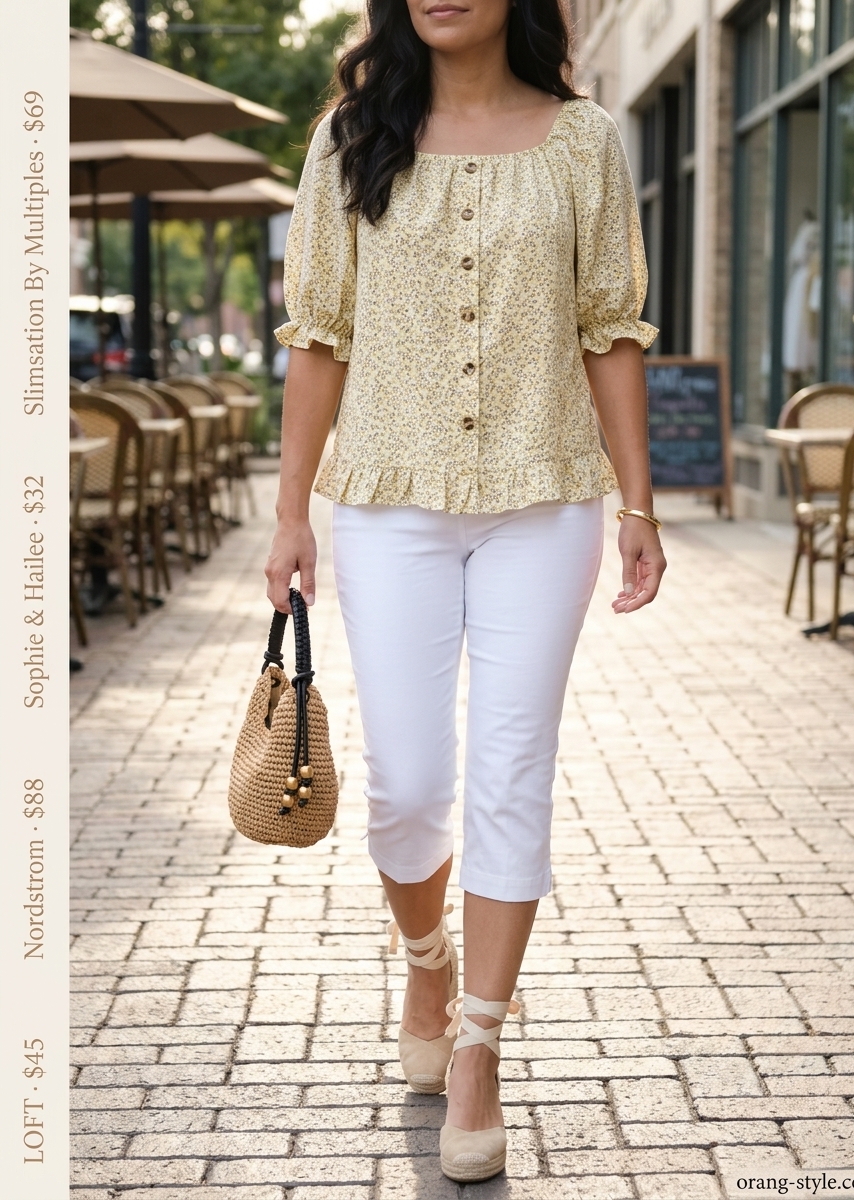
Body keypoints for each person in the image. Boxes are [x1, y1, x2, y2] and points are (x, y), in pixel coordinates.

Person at [265, 0, 666, 1181]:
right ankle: (425, 959)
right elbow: (317, 336)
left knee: (510, 770)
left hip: (545, 500)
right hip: (386, 503)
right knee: (405, 782)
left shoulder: (583, 140)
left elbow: (609, 328)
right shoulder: (350, 138)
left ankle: (479, 1043)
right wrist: (289, 514)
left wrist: (637, 505)